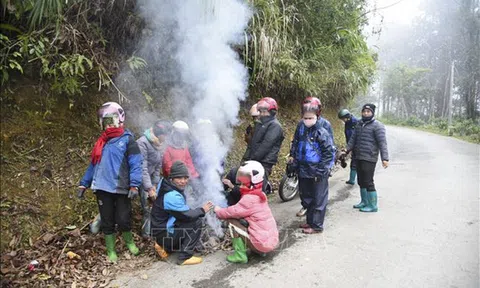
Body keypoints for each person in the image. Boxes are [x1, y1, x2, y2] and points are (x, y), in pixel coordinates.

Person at [78, 102, 142, 262]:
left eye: (110, 121)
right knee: (107, 220)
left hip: (121, 188)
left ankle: (129, 242)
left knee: (123, 218)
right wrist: (84, 183)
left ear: (120, 119)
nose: (107, 126)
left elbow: (136, 164)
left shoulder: (128, 140)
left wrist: (134, 184)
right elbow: (94, 165)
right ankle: (111, 250)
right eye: (104, 122)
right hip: (101, 188)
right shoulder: (101, 142)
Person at [150, 161, 214, 265]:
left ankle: (164, 245)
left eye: (185, 178)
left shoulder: (166, 185)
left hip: (161, 230)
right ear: (172, 178)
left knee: (191, 217)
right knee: (196, 222)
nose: (183, 181)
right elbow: (186, 216)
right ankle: (184, 257)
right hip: (164, 233)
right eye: (179, 178)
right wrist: (202, 210)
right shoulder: (171, 195)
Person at [214, 161, 279, 263]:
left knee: (232, 221)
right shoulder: (260, 193)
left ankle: (240, 255)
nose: (241, 181)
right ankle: (259, 250)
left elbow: (231, 211)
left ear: (253, 179)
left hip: (262, 245)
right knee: (246, 221)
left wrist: (218, 211)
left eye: (245, 178)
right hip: (271, 242)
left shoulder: (249, 199)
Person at [288, 98, 335, 233]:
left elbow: (329, 151)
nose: (307, 119)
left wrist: (322, 170)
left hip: (317, 168)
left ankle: (317, 226)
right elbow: (296, 142)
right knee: (307, 196)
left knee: (319, 198)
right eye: (305, 117)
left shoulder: (323, 128)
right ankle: (310, 222)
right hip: (304, 167)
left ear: (317, 114)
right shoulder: (301, 125)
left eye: (310, 117)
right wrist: (293, 158)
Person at [344, 104, 389, 212]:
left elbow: (382, 143)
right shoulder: (359, 124)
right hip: (358, 156)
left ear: (372, 113)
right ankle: (364, 202)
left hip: (369, 157)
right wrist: (346, 149)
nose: (365, 113)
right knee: (360, 181)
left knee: (368, 181)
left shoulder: (378, 126)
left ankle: (373, 206)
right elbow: (353, 139)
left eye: (368, 111)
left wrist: (385, 158)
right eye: (364, 111)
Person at [243, 97, 285, 194]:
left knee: (258, 191)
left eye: (264, 112)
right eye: (260, 111)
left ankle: (259, 208)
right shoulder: (261, 124)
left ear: (272, 111)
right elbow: (254, 143)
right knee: (248, 188)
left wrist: (252, 159)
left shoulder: (275, 126)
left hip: (264, 162)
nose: (262, 114)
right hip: (254, 161)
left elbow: (265, 146)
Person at [136, 120, 170, 238]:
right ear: (160, 134)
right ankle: (146, 235)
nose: (166, 138)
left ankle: (153, 232)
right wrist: (149, 188)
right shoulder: (142, 143)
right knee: (147, 206)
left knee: (154, 205)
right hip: (136, 178)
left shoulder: (159, 145)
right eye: (165, 135)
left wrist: (155, 184)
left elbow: (157, 166)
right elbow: (142, 167)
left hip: (150, 179)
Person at [338, 109, 359, 185]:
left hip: (358, 146)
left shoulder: (357, 122)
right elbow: (348, 136)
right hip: (351, 145)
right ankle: (352, 179)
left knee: (356, 162)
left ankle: (353, 180)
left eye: (343, 119)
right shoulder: (347, 123)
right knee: (354, 161)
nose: (343, 121)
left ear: (348, 117)